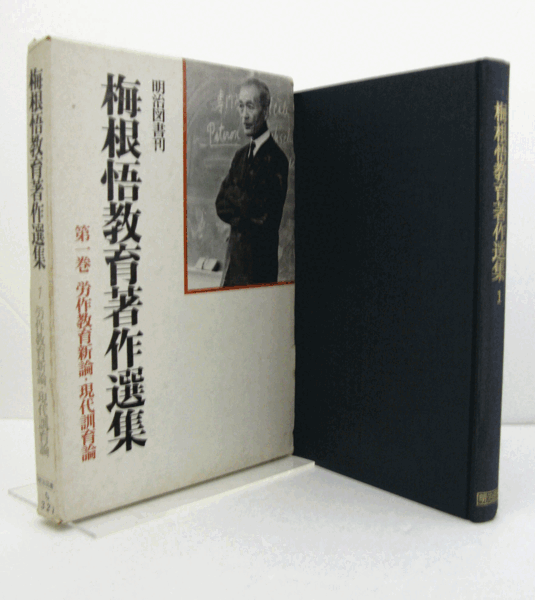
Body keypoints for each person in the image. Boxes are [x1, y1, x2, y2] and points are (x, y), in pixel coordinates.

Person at [216, 78, 289, 287]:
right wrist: (247, 205)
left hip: (259, 271)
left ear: (265, 111)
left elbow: (264, 218)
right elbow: (220, 204)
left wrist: (235, 195)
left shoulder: (277, 160)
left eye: (250, 106)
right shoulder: (239, 156)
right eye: (241, 106)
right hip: (234, 268)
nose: (244, 115)